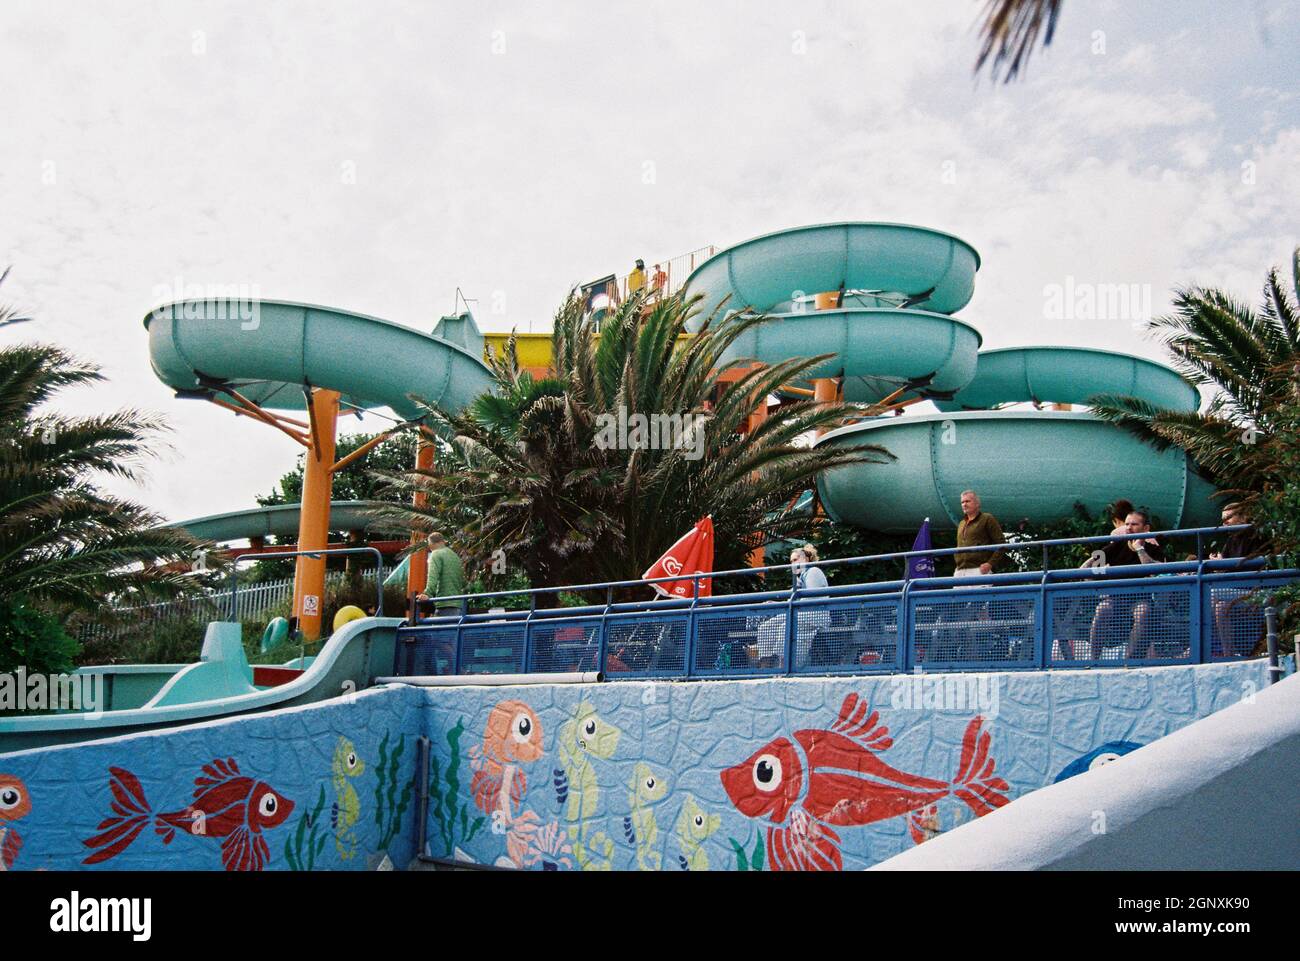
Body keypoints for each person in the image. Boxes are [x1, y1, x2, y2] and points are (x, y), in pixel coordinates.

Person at [1082, 509, 1166, 659]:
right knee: (1102, 609)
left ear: (1146, 528)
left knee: (1143, 612)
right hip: (1115, 598)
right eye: (1127, 524)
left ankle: (1130, 659)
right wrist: (1095, 576)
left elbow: (1152, 569)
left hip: (1141, 598)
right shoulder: (1116, 546)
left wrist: (1139, 549)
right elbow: (1086, 568)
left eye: (1134, 524)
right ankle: (1094, 659)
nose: (1129, 527)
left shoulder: (1153, 549)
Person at [1208, 502, 1266, 656]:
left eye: (1229, 517)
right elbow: (1228, 568)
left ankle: (1210, 647)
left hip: (1257, 590)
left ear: (1244, 517)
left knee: (1211, 594)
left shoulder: (1256, 535)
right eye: (1223, 519)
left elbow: (1251, 566)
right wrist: (1219, 565)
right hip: (1235, 591)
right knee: (1219, 607)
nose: (1224, 522)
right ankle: (1228, 652)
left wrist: (1224, 565)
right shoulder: (1231, 540)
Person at [415, 532, 466, 672]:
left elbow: (433, 576)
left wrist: (427, 593)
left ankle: (457, 667)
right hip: (457, 604)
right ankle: (453, 668)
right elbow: (463, 581)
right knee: (451, 640)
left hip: (445, 603)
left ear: (430, 543)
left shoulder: (436, 554)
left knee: (438, 639)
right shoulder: (454, 556)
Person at [954, 490, 1004, 577]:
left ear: (977, 504)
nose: (964, 504)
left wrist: (990, 564)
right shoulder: (962, 523)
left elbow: (1002, 544)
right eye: (962, 502)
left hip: (979, 570)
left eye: (967, 501)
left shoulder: (987, 518)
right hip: (960, 570)